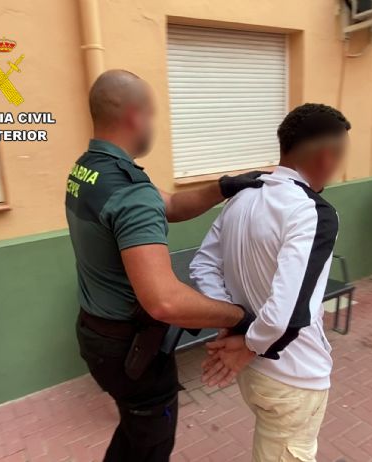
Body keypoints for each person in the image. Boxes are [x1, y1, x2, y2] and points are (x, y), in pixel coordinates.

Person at [65, 69, 260, 462]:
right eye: (152, 115)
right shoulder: (128, 190)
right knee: (150, 442)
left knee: (134, 431)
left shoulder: (89, 169)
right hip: (130, 349)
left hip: (96, 334)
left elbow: (167, 204)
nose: (154, 125)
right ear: (134, 116)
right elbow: (165, 301)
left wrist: (223, 187)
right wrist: (241, 317)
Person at [190, 103, 351, 462]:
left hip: (256, 373)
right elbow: (286, 315)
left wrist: (233, 322)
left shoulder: (242, 196)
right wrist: (248, 344)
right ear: (326, 156)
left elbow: (203, 264)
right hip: (294, 376)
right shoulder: (312, 212)